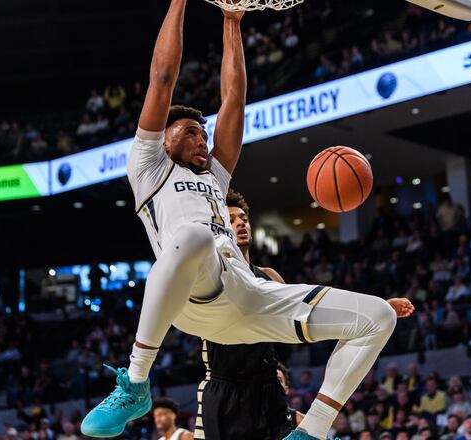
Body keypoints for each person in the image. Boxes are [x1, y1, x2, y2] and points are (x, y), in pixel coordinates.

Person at [79, 2, 414, 440]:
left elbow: (234, 97)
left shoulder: (215, 177)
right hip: (197, 301)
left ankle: (311, 432)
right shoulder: (149, 168)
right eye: (190, 133)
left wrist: (231, 21)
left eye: (204, 134)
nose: (202, 139)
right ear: (164, 138)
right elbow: (162, 77)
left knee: (377, 317)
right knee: (196, 236)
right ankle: (137, 381)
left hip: (249, 297)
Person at [195, 189, 296, 440]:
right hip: (227, 388)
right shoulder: (210, 278)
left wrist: (364, 309)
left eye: (243, 218)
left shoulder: (270, 277)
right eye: (230, 220)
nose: (240, 223)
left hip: (267, 386)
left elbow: (303, 314)